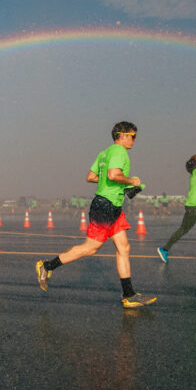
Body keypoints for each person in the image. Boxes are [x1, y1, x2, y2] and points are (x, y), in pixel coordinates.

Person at [35, 121, 157, 308]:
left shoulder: (104, 153)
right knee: (90, 248)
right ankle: (47, 266)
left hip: (113, 206)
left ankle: (129, 294)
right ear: (122, 135)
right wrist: (131, 181)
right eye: (133, 136)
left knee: (123, 247)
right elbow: (113, 174)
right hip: (105, 207)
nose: (134, 140)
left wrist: (119, 184)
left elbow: (91, 177)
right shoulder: (119, 151)